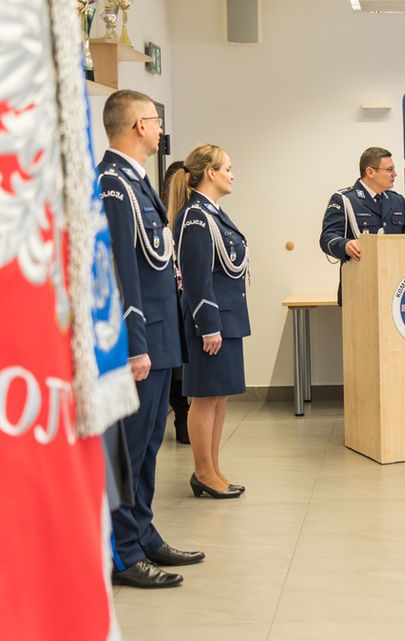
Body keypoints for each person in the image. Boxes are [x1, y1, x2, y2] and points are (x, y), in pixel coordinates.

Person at [98, 90, 204, 588]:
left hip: (160, 337)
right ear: (139, 125)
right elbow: (122, 270)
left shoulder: (137, 183)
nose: (162, 129)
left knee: (149, 448)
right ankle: (122, 553)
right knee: (129, 448)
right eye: (157, 121)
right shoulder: (114, 184)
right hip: (140, 339)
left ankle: (144, 534)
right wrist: (134, 342)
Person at [170, 144, 250, 500]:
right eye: (228, 168)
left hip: (228, 317)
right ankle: (203, 472)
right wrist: (208, 324)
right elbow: (196, 276)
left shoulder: (213, 213)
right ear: (211, 172)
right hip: (211, 320)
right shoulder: (196, 216)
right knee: (204, 397)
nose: (232, 175)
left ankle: (214, 468)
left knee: (219, 397)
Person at [320, 147, 405, 304]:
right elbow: (327, 238)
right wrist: (346, 245)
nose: (395, 174)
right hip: (359, 289)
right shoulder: (344, 200)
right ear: (370, 172)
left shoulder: (397, 200)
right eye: (389, 170)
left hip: (396, 289)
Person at [161, 159, 191, 445]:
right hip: (176, 300)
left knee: (177, 362)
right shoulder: (165, 223)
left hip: (178, 298)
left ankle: (183, 416)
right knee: (178, 362)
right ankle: (183, 416)